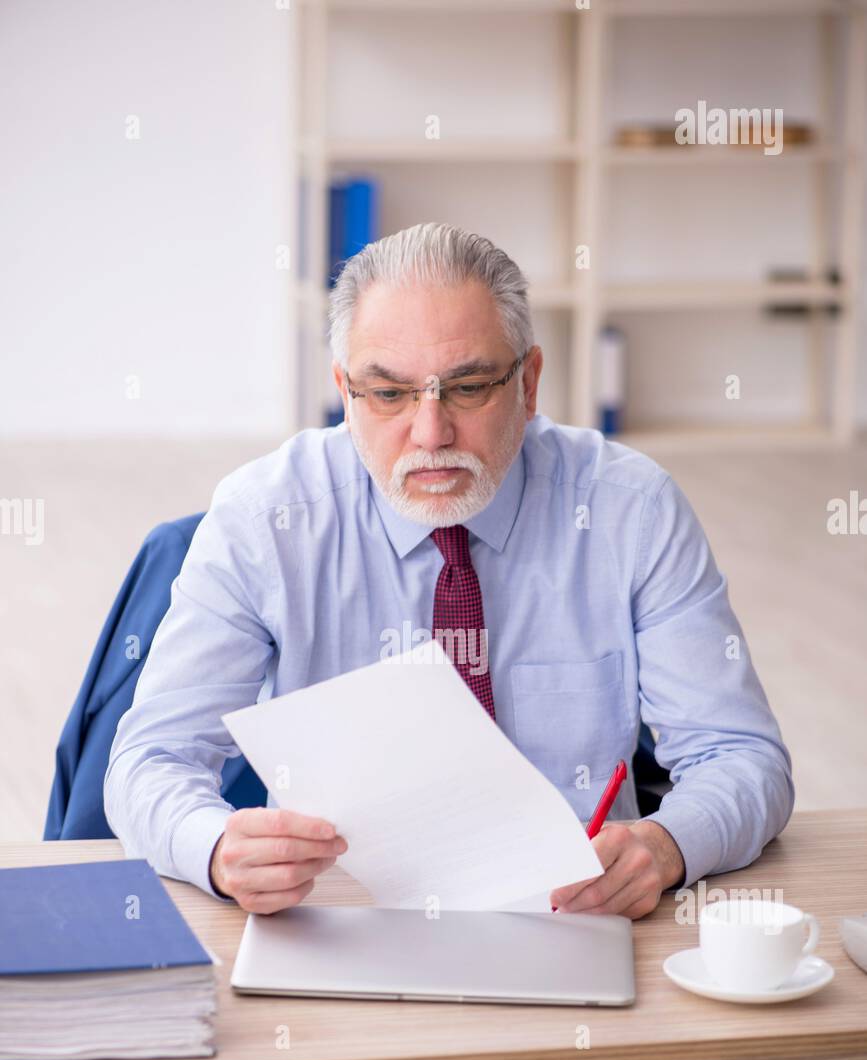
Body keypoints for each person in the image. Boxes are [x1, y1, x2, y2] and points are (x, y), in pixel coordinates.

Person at [105, 222, 794, 919]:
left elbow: (742, 756)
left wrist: (668, 845)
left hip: (577, 915)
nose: (430, 434)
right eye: (388, 394)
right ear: (344, 391)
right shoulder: (264, 518)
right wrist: (217, 849)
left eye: (466, 388)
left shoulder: (628, 511)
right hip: (340, 914)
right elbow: (149, 762)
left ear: (528, 382)